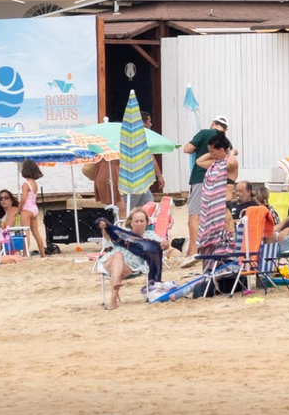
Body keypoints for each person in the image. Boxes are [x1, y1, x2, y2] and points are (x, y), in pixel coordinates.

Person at [180, 114, 229, 268]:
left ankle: (193, 252)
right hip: (219, 181)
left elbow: (187, 149)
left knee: (194, 216)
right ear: (226, 128)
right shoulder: (226, 142)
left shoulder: (204, 133)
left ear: (213, 123)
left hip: (200, 178)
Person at [97, 207, 168, 309]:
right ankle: (115, 286)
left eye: (142, 221)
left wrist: (165, 245)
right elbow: (108, 237)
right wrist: (104, 227)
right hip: (110, 262)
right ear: (130, 222)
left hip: (131, 267)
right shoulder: (122, 233)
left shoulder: (151, 237)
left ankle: (113, 298)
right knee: (118, 255)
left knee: (117, 267)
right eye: (136, 221)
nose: (139, 223)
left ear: (147, 222)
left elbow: (161, 249)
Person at [18, 159, 46, 257]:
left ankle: (25, 254)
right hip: (34, 208)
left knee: (26, 233)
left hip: (27, 209)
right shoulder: (34, 184)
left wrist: (18, 209)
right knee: (36, 232)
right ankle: (43, 254)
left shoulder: (25, 184)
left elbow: (23, 199)